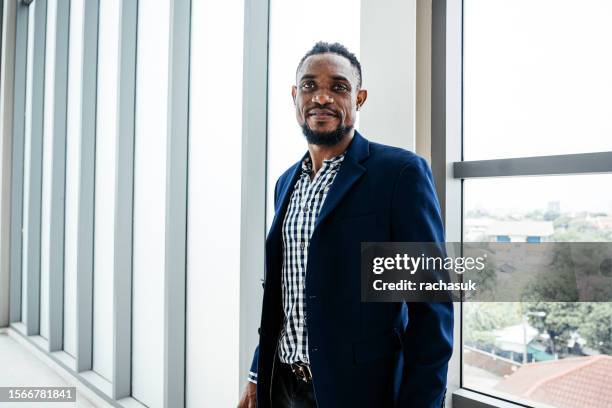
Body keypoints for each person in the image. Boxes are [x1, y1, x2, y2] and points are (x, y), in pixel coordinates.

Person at [237, 42, 453, 408]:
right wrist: (258, 376)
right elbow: (283, 294)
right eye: (309, 86)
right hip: (285, 387)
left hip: (360, 391)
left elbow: (431, 305)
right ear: (295, 97)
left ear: (359, 98)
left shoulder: (399, 174)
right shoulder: (285, 183)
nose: (322, 97)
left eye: (338, 86)